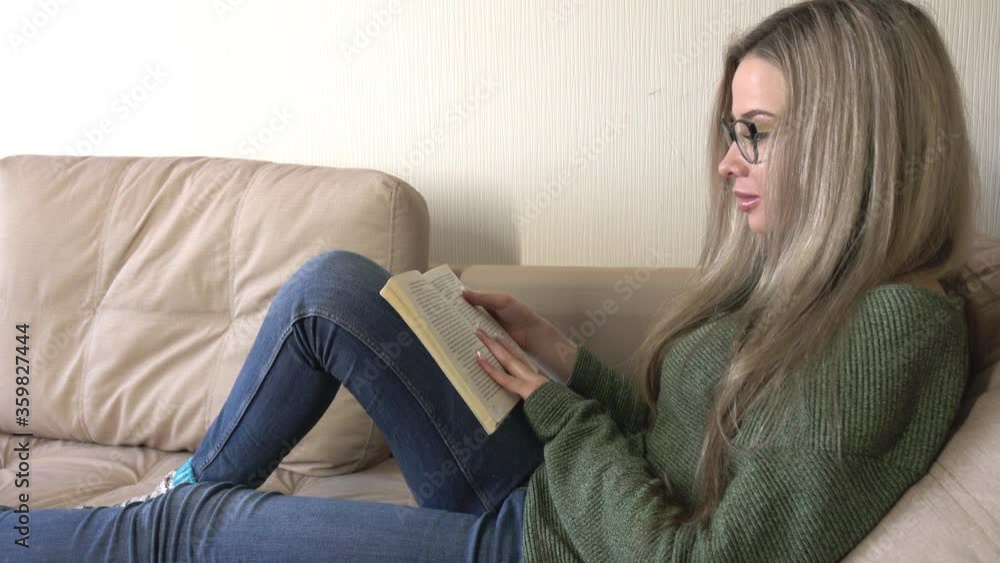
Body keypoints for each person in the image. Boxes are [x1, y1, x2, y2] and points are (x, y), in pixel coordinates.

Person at [0, 0, 978, 561]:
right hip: (561, 504)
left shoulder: (896, 329)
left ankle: (124, 526)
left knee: (201, 528)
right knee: (338, 287)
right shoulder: (801, 287)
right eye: (730, 132)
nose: (726, 164)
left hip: (546, 549)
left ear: (857, 141)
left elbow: (699, 555)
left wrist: (560, 409)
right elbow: (682, 453)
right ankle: (156, 509)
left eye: (754, 134)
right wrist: (571, 366)